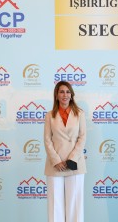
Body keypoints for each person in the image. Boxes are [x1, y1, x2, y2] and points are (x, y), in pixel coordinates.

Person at [44, 81, 86, 222]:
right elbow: (47, 140)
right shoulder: (50, 115)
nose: (65, 95)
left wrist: (72, 158)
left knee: (75, 205)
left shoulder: (79, 114)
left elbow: (82, 137)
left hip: (74, 163)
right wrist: (56, 161)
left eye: (68, 92)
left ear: (71, 95)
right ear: (56, 95)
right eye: (61, 92)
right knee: (55, 206)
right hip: (55, 165)